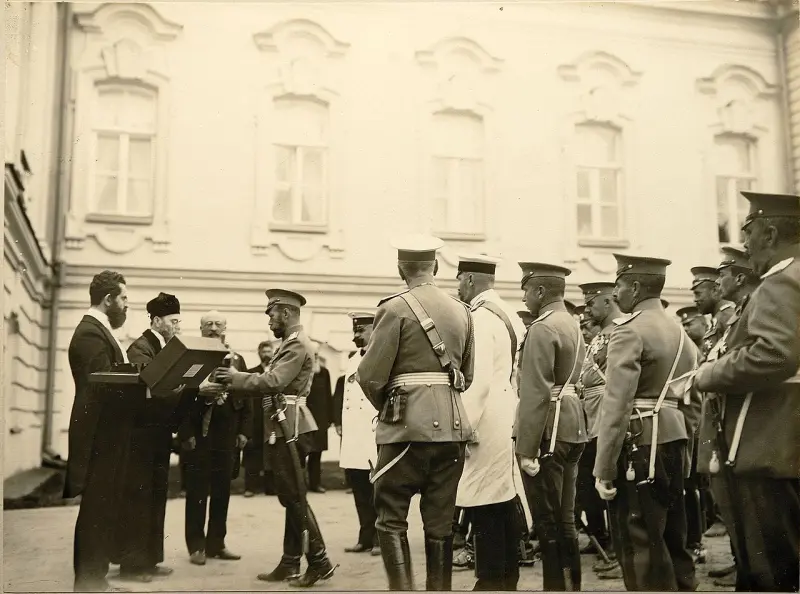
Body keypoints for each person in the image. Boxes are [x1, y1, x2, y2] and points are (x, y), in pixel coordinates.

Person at [694, 191, 800, 592]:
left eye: (748, 232)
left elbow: (774, 355)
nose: (745, 244)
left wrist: (709, 374)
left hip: (765, 448)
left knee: (767, 574)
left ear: (769, 233)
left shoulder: (779, 282)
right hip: (785, 447)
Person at [357, 234, 475, 591]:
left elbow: (370, 375)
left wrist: (391, 407)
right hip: (453, 429)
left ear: (400, 269)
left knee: (391, 517)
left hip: (406, 428)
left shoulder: (394, 308)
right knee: (440, 523)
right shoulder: (463, 310)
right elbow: (466, 377)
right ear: (436, 267)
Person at [214, 289, 337, 588]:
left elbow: (274, 381)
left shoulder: (295, 346)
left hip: (289, 426)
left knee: (293, 496)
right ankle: (291, 561)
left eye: (271, 313)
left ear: (285, 313)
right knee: (290, 494)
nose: (268, 319)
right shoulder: (289, 344)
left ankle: (319, 560)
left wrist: (234, 377)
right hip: (284, 424)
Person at [593, 254, 701, 592]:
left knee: (639, 540)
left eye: (619, 286)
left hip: (639, 444)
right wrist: (682, 442)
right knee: (673, 537)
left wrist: (604, 468)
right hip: (672, 440)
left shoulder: (629, 331)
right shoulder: (681, 333)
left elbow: (616, 404)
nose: (615, 294)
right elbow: (693, 401)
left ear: (636, 287)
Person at [455, 254, 526, 591]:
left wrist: (465, 425)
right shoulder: (508, 313)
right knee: (501, 492)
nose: (458, 288)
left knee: (483, 498)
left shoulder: (481, 318)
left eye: (459, 281)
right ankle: (506, 572)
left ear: (469, 280)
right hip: (505, 408)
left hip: (486, 415)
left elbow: (478, 380)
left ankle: (492, 578)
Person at [515, 262, 587, 591]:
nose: (525, 296)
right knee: (566, 517)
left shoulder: (543, 327)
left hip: (549, 429)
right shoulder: (572, 324)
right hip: (573, 422)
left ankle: (556, 588)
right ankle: (571, 586)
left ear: (541, 291)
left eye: (527, 290)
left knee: (547, 521)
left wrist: (526, 449)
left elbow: (535, 392)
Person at [112, 293, 193, 583]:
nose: (177, 327)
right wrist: (186, 387)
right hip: (140, 437)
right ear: (157, 321)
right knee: (139, 497)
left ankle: (149, 560)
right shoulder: (140, 349)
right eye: (173, 321)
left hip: (156, 435)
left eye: (178, 321)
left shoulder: (163, 348)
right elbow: (151, 389)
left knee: (156, 495)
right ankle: (131, 565)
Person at [65, 270, 136, 592]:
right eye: (123, 299)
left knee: (105, 505)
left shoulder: (99, 329)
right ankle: (89, 581)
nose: (126, 306)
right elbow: (102, 382)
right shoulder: (90, 333)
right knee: (97, 506)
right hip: (100, 435)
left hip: (109, 432)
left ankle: (97, 578)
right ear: (108, 300)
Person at [178, 311, 249, 565]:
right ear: (200, 329)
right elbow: (181, 398)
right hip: (199, 434)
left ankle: (216, 543)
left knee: (222, 490)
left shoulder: (237, 359)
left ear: (226, 328)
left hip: (227, 435)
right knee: (197, 490)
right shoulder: (190, 359)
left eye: (218, 324)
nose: (213, 328)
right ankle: (196, 546)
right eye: (208, 324)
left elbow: (247, 393)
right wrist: (185, 433)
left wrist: (243, 431)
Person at [575, 283, 618, 566]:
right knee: (592, 483)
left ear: (606, 301)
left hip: (605, 414)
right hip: (591, 415)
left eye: (591, 304)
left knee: (609, 484)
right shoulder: (602, 335)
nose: (587, 310)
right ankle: (607, 540)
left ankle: (616, 547)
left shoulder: (617, 332)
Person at [339, 312, 380, 556]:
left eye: (361, 330)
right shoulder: (353, 359)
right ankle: (364, 536)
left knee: (377, 489)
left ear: (374, 330)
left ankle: (378, 539)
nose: (356, 335)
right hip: (355, 435)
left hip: (373, 433)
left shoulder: (383, 356)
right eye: (355, 330)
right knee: (359, 488)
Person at [243, 340, 277, 497]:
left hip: (272, 419)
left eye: (269, 351)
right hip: (256, 418)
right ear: (259, 353)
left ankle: (271, 487)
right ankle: (250, 487)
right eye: (263, 351)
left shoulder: (277, 373)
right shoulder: (252, 372)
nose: (266, 354)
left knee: (272, 452)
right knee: (252, 451)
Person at [306, 347, 333, 493]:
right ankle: (300, 485)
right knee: (302, 452)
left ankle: (315, 484)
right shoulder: (301, 372)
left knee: (316, 455)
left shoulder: (324, 373)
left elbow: (328, 396)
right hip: (304, 420)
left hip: (320, 421)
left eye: (316, 354)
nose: (314, 357)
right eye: (312, 354)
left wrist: (329, 419)